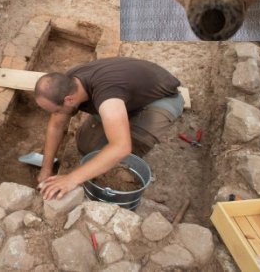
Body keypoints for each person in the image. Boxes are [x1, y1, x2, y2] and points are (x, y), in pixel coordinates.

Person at [33, 57, 184, 200]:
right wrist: (46, 168)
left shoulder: (107, 96)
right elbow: (56, 125)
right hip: (126, 98)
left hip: (159, 100)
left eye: (57, 110)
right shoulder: (67, 84)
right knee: (88, 147)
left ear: (69, 100)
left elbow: (121, 147)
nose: (55, 115)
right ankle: (122, 119)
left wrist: (71, 179)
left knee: (117, 157)